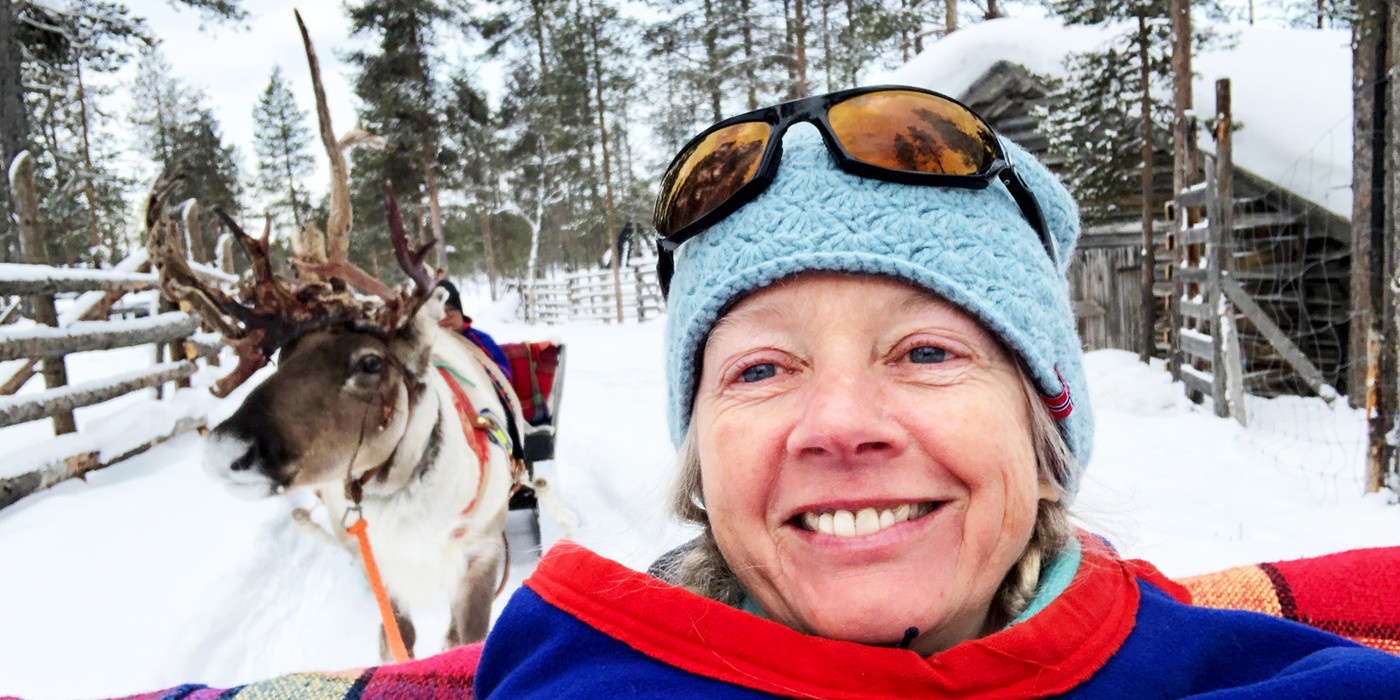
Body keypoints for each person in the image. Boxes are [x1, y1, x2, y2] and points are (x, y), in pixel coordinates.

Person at [470, 86, 1400, 697]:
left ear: (1044, 434)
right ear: (703, 462)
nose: (838, 425)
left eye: (925, 353)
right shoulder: (576, 669)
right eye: (759, 370)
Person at [436, 278, 513, 382]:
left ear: (460, 313)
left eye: (450, 310)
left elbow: (505, 375)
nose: (444, 317)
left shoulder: (480, 340)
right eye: (438, 312)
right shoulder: (430, 345)